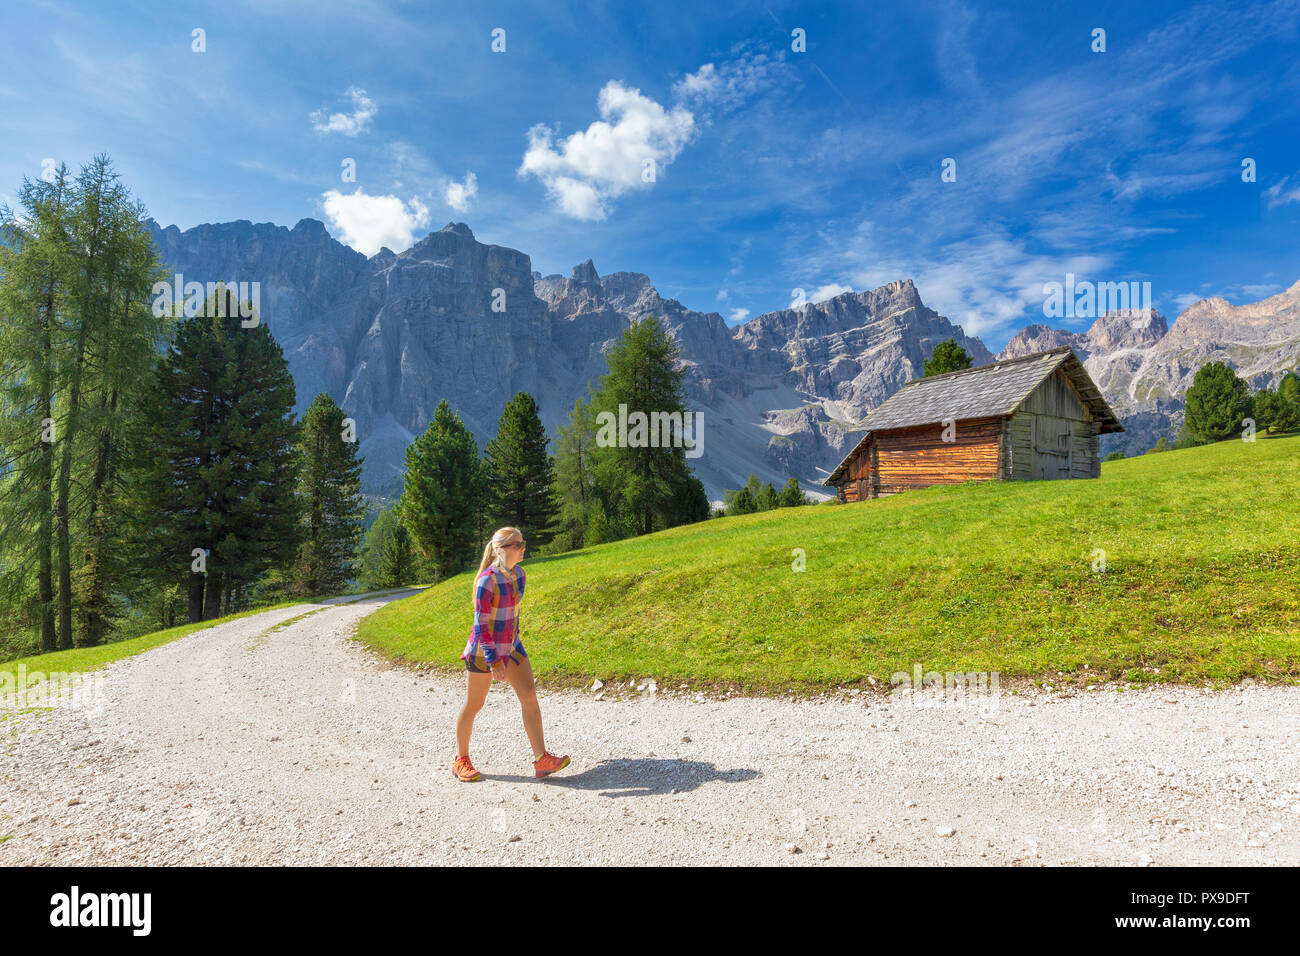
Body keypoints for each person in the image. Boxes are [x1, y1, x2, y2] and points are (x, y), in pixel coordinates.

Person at [452, 526, 570, 782]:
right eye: (517, 544)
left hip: (512, 646)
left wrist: (510, 649)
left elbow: (512, 615)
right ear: (500, 550)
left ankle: (542, 760)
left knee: (529, 694)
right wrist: (494, 661)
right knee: (474, 705)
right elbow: (481, 627)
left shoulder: (520, 575)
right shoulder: (487, 581)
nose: (522, 548)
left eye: (522, 543)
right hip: (484, 651)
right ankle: (460, 759)